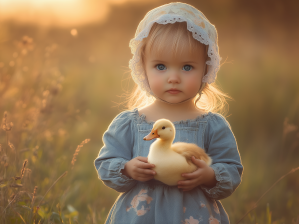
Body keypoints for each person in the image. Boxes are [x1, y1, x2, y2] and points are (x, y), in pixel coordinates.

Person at [94, 2, 243, 223]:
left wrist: (209, 175)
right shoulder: (130, 123)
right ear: (143, 67)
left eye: (187, 67)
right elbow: (105, 163)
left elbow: (231, 169)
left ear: (206, 69)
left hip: (194, 215)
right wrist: (126, 168)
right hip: (141, 214)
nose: (173, 77)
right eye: (161, 67)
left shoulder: (212, 125)